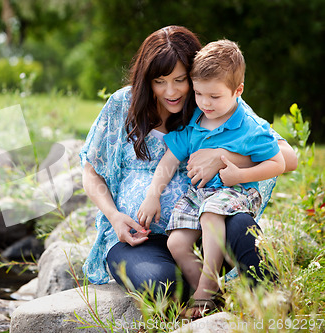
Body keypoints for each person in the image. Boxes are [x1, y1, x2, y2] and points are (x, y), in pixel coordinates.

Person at [80, 25, 297, 305]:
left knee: (242, 226)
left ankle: (271, 302)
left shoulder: (210, 101)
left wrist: (220, 156)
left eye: (180, 80)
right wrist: (114, 217)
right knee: (162, 286)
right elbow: (91, 171)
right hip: (140, 239)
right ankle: (204, 293)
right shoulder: (123, 104)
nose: (171, 91)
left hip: (206, 229)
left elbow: (286, 157)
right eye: (160, 81)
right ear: (147, 79)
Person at [137, 39, 286, 318]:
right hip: (199, 194)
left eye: (214, 97)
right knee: (177, 243)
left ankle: (203, 294)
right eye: (198, 94)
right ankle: (214, 296)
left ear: (238, 91)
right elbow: (170, 159)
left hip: (237, 191)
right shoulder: (195, 121)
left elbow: (278, 162)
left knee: (211, 214)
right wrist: (152, 194)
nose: (205, 103)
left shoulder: (251, 127)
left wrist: (241, 174)